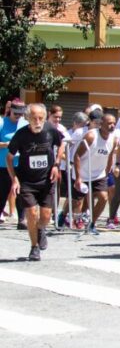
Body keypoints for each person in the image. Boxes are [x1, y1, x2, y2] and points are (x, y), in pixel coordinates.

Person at [6, 103, 63, 260]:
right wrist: (14, 179)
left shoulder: (51, 130)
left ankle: (40, 229)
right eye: (34, 118)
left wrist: (57, 164)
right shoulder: (21, 135)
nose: (38, 122)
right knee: (31, 213)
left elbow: (61, 144)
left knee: (45, 217)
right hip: (27, 181)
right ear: (27, 118)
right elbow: (9, 158)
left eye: (41, 118)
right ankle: (34, 247)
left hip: (47, 180)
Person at [73, 112, 117, 234]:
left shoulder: (113, 140)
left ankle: (91, 224)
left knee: (103, 197)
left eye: (114, 123)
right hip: (83, 172)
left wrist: (107, 172)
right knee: (76, 201)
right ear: (101, 124)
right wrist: (78, 177)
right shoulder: (91, 136)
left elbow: (109, 157)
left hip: (99, 174)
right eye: (109, 123)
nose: (112, 126)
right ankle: (64, 215)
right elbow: (77, 155)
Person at [0, 99, 28, 227]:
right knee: (3, 192)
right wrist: (5, 145)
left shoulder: (25, 124)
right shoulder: (1, 122)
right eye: (16, 113)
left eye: (20, 114)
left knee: (21, 192)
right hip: (3, 164)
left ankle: (21, 219)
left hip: (20, 164)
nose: (18, 116)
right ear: (10, 110)